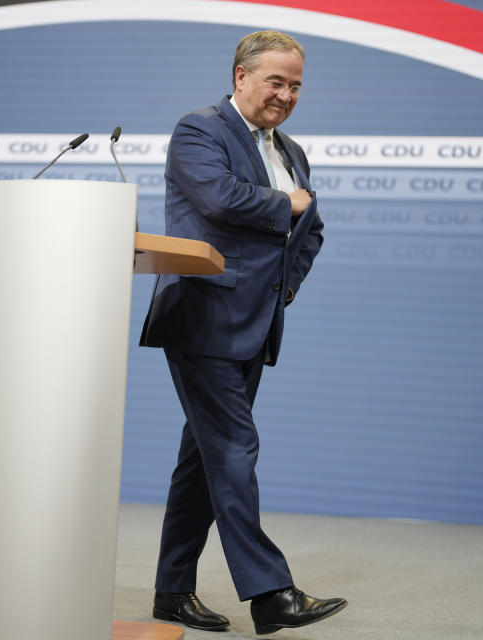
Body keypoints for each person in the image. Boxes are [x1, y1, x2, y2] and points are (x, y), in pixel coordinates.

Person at [139, 30, 346, 635]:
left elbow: (314, 230)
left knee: (202, 460)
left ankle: (172, 591)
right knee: (233, 450)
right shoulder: (199, 130)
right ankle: (269, 592)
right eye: (276, 81)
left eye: (296, 85)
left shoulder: (290, 150)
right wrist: (289, 205)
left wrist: (283, 287)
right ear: (240, 77)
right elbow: (221, 198)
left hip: (256, 322)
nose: (286, 94)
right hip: (202, 316)